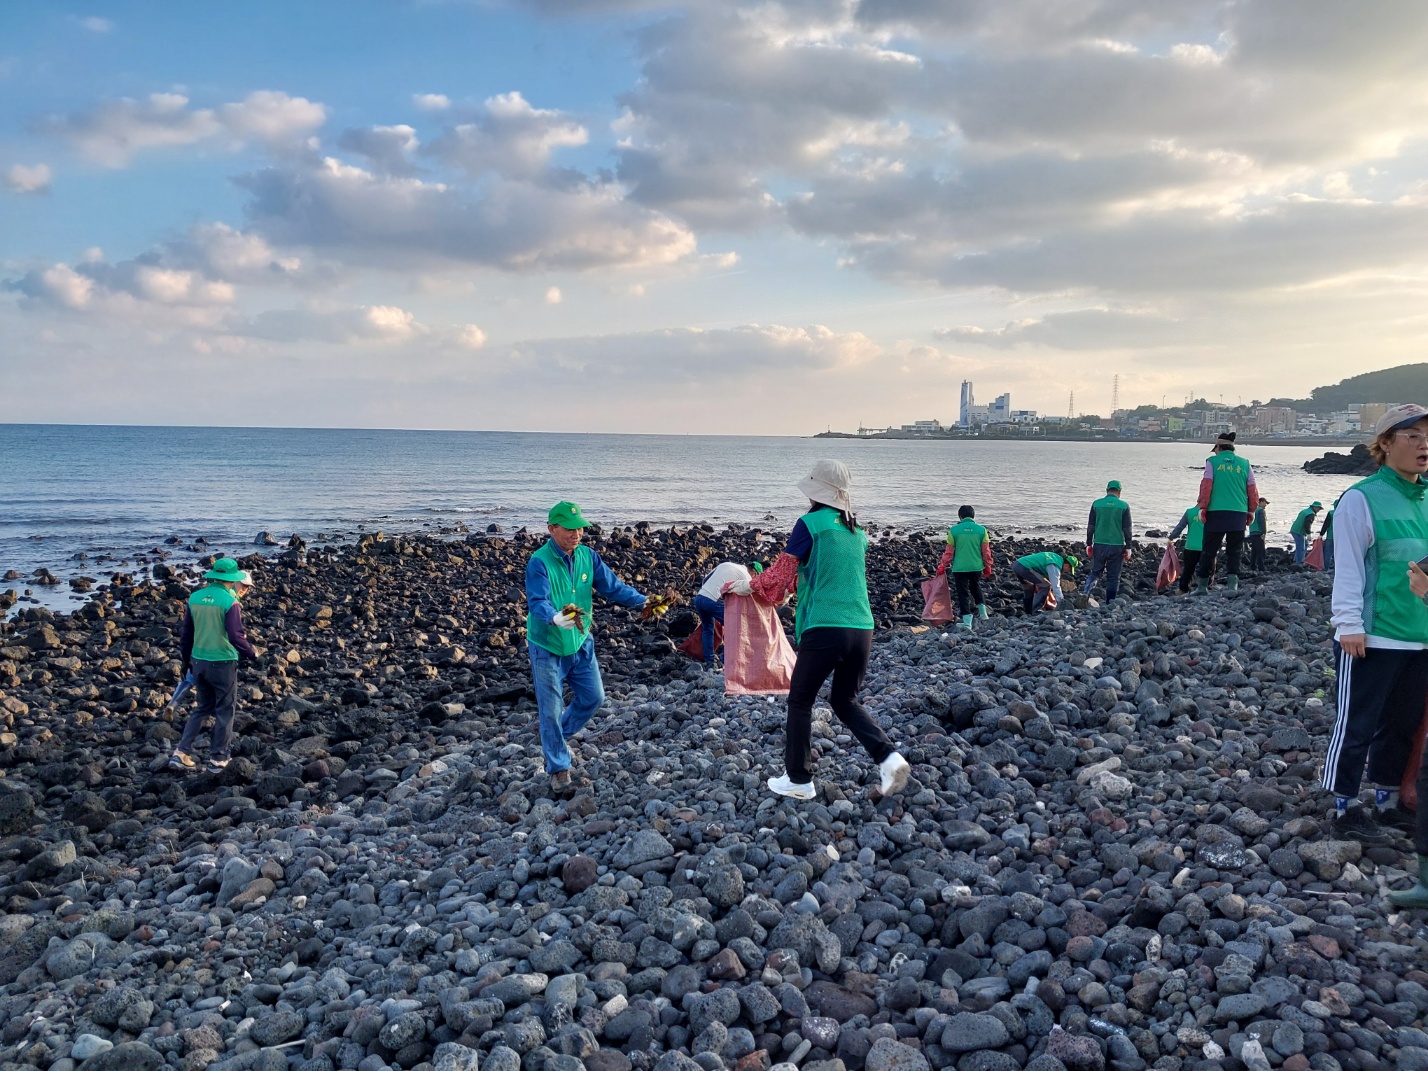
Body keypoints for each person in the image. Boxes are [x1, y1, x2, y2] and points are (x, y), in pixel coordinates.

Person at [733, 460, 909, 801]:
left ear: (816, 491)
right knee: (845, 700)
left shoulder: (809, 524)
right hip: (862, 628)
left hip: (825, 626)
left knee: (800, 700)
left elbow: (781, 575)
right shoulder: (858, 532)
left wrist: (748, 586)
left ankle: (798, 779)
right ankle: (889, 758)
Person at [1319, 404, 1428, 851]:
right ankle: (1343, 806)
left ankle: (1387, 801)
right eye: (1413, 436)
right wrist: (1348, 625)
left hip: (1419, 635)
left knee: (1402, 724)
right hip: (1373, 632)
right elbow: (1348, 569)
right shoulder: (1360, 498)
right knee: (1356, 723)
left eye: (1427, 436)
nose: (1424, 445)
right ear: (1385, 444)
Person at [525, 501, 648, 794]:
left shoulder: (588, 556)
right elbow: (537, 601)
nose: (576, 533)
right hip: (547, 645)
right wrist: (555, 617)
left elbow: (612, 586)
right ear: (551, 529)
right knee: (551, 709)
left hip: (580, 642)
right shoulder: (539, 562)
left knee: (594, 697)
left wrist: (643, 600)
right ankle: (558, 767)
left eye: (580, 527)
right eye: (569, 529)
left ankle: (554, 737)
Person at [168, 558, 258, 773]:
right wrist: (252, 653)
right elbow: (236, 636)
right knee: (225, 710)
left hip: (198, 661)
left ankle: (181, 753)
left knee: (202, 708)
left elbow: (186, 635)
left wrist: (186, 661)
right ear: (232, 579)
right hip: (222, 662)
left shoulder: (195, 597)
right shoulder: (229, 602)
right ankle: (219, 759)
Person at [1192, 432, 1258, 594]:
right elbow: (1252, 490)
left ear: (1219, 447)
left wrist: (1202, 507)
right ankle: (1232, 585)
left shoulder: (1212, 462)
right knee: (1234, 550)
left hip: (1216, 513)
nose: (1214, 452)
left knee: (1209, 550)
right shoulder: (1245, 463)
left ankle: (1202, 587)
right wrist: (1251, 510)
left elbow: (1206, 486)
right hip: (1238, 513)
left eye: (1215, 449)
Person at [936, 504, 993, 630]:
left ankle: (967, 622)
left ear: (960, 516)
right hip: (976, 566)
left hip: (960, 568)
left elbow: (949, 552)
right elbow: (986, 551)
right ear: (973, 515)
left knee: (963, 593)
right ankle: (983, 614)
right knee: (976, 587)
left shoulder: (954, 530)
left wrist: (942, 565)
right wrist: (988, 566)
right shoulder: (981, 530)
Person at [692, 560, 759, 664]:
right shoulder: (747, 577)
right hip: (712, 601)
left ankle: (709, 660)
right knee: (733, 628)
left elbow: (705, 580)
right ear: (754, 574)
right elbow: (747, 595)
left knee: (708, 629)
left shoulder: (726, 564)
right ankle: (725, 662)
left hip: (699, 598)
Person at [1083, 480, 1133, 602]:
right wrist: (1128, 547)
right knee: (1113, 577)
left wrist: (1089, 543)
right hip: (1117, 545)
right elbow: (1127, 529)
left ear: (1107, 491)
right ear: (1119, 492)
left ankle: (1085, 594)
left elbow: (1091, 527)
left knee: (1095, 573)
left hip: (1099, 544)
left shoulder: (1096, 504)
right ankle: (1110, 602)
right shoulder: (1124, 506)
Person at [1012, 550, 1077, 614]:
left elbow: (1040, 570)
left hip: (1017, 564)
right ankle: (1036, 611)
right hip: (1025, 567)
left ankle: (1028, 612)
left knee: (1029, 588)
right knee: (1045, 585)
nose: (1067, 572)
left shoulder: (1055, 557)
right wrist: (1061, 602)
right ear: (1067, 565)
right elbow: (1055, 585)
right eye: (1069, 570)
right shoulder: (1055, 566)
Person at [1166, 504, 1205, 594]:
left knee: (1188, 569)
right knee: (1208, 568)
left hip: (1191, 546)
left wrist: (1171, 537)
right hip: (1207, 547)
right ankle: (1206, 587)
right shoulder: (1211, 512)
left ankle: (1183, 589)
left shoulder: (1190, 512)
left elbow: (1180, 527)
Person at [1247, 498, 1269, 572]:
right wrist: (1264, 532)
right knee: (1261, 551)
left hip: (1252, 532)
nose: (1266, 505)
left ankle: (1252, 566)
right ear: (1261, 502)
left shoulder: (1253, 510)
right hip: (1258, 532)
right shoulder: (1261, 511)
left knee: (1254, 551)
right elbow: (1262, 522)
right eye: (1265, 503)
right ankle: (1261, 568)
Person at [1320, 497, 1338, 571]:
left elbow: (1326, 524)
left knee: (1328, 553)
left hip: (1330, 536)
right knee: (1338, 554)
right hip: (1341, 537)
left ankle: (1325, 569)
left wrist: (1321, 534)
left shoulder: (1331, 513)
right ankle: (1337, 569)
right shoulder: (1345, 513)